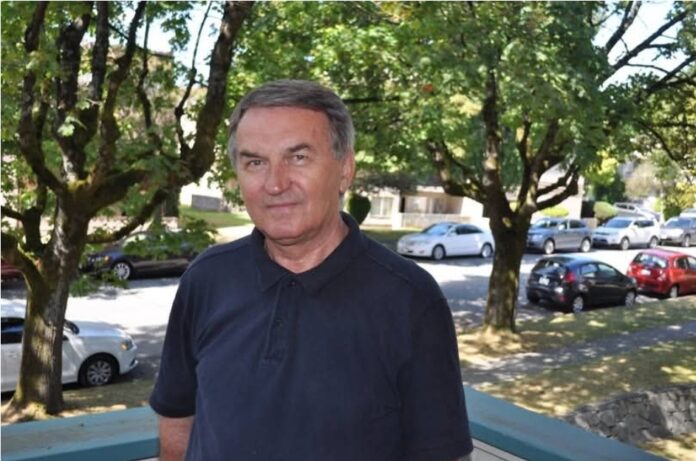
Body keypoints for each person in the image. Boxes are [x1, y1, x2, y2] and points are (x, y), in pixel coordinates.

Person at [150, 79, 474, 461]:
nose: (275, 184)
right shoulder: (206, 279)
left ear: (345, 170)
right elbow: (177, 417)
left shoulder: (410, 299)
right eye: (255, 162)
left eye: (299, 157)